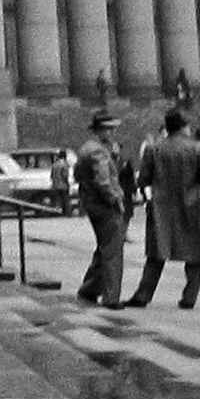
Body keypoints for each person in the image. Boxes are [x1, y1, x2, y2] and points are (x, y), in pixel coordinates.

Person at [124, 108, 200, 310]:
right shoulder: (198, 150)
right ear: (184, 127)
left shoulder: (153, 149)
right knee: (195, 254)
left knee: (156, 254)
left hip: (162, 207)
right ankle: (189, 298)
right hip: (193, 205)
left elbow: (143, 179)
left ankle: (143, 295)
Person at [74, 110, 127, 310]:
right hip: (104, 206)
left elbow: (79, 175)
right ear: (100, 131)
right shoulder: (98, 152)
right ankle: (111, 296)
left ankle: (89, 289)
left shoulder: (87, 149)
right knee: (112, 251)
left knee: (104, 248)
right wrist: (115, 199)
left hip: (91, 203)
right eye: (109, 129)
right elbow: (103, 181)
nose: (113, 133)